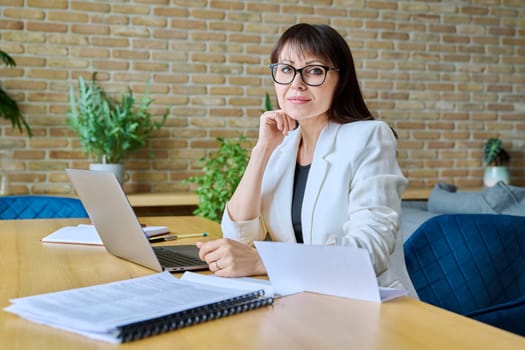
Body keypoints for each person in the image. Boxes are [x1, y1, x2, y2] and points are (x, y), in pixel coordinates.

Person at [197, 23, 417, 297]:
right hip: (296, 296)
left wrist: (260, 261)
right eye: (286, 69)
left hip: (362, 301)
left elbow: (368, 253)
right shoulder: (283, 145)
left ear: (341, 79)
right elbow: (238, 237)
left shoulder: (369, 137)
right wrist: (262, 150)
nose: (296, 83)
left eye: (314, 71)